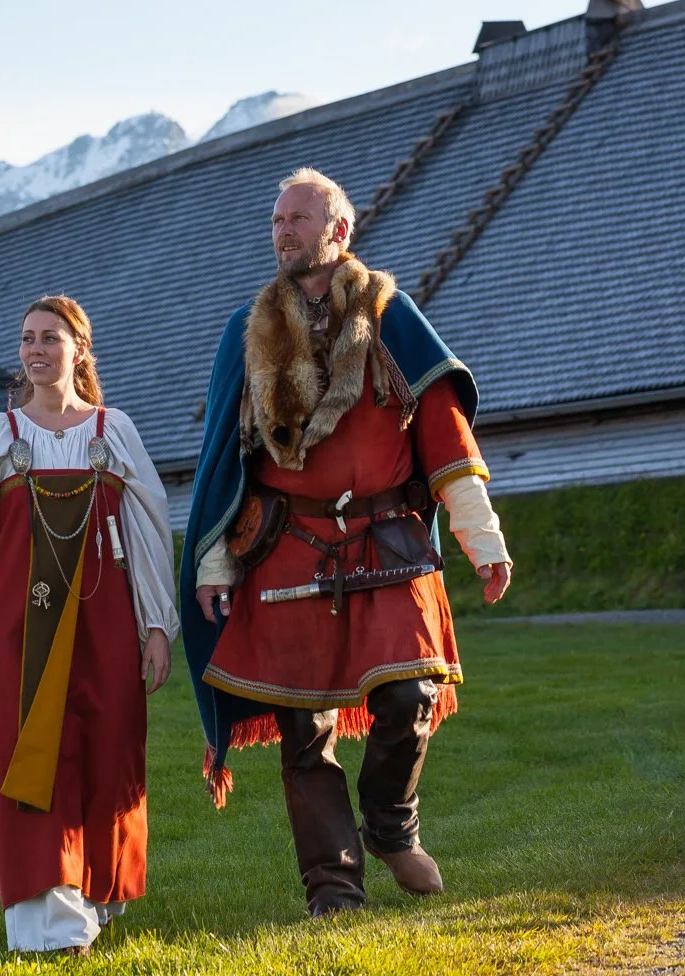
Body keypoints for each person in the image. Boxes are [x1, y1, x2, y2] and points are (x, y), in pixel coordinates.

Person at [178, 168, 514, 918]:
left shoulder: (391, 317)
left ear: (339, 232)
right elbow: (226, 464)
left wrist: (481, 537)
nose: (283, 230)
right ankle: (334, 892)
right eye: (276, 219)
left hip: (385, 542)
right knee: (305, 733)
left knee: (409, 694)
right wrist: (212, 560)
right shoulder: (248, 330)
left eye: (298, 218)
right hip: (286, 545)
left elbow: (443, 434)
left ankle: (391, 824)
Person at [0, 295, 181, 955]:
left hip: (105, 617)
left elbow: (149, 529)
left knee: (110, 749)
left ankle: (96, 896)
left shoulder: (113, 430)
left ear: (78, 347)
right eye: (26, 339)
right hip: (21, 624)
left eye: (49, 338)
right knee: (33, 756)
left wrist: (156, 623)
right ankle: (50, 922)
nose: (36, 350)